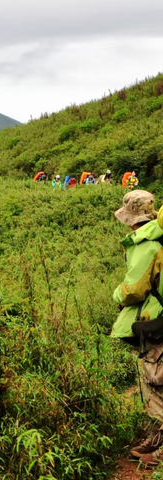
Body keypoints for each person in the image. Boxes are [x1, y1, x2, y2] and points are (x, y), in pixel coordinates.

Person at [111, 191, 163, 465]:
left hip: (157, 321)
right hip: (158, 318)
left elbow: (135, 289)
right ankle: (157, 438)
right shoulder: (156, 238)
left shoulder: (148, 245)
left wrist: (117, 294)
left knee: (156, 380)